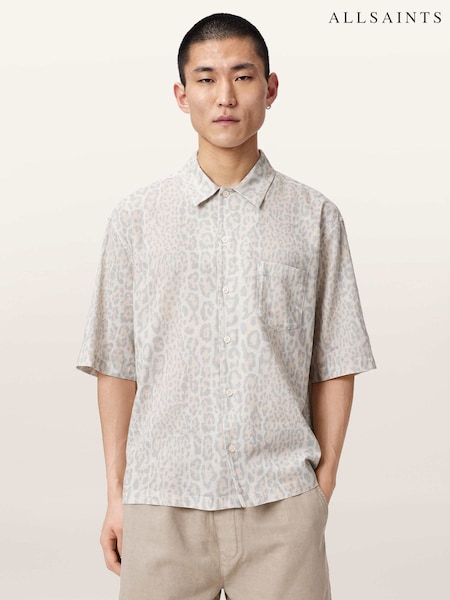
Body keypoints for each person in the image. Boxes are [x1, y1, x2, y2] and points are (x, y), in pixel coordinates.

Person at [77, 12, 376, 600]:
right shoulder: (137, 220)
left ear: (270, 88)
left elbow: (336, 359)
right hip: (161, 503)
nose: (225, 97)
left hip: (281, 504)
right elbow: (116, 364)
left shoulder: (315, 218)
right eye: (207, 79)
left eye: (242, 76)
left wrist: (321, 489)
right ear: (181, 95)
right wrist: (117, 495)